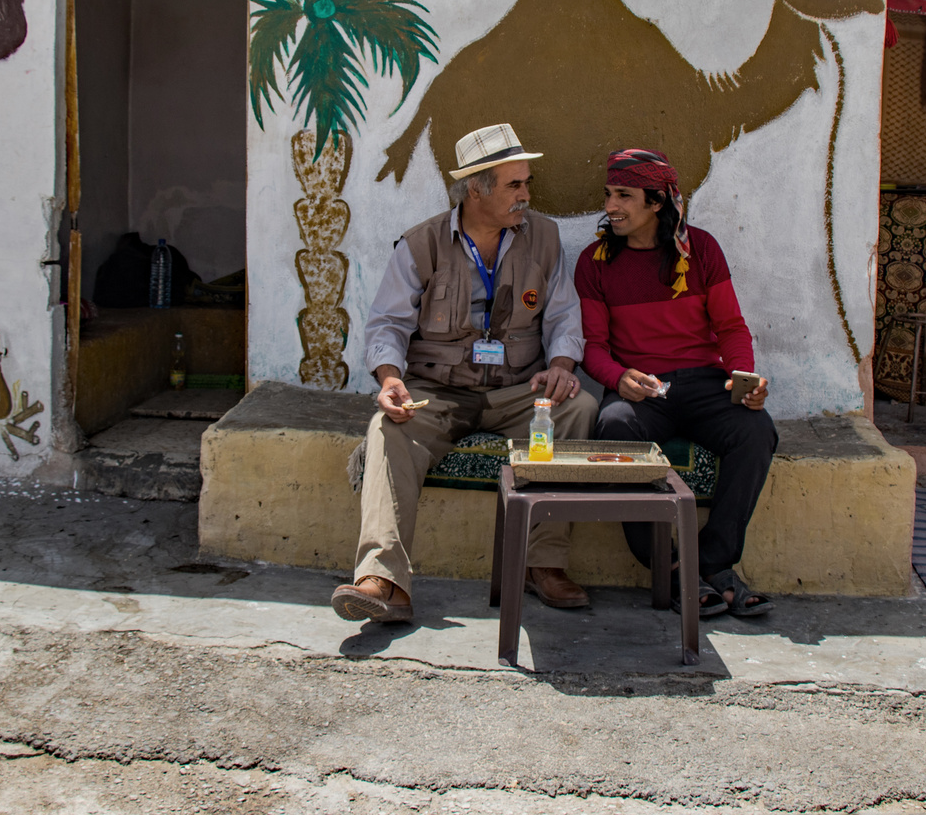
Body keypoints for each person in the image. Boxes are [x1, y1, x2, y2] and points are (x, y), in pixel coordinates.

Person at [332, 123, 598, 624]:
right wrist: (391, 380)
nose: (526, 194)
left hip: (520, 389)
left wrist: (562, 366)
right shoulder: (421, 244)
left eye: (527, 182)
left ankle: (542, 563)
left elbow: (563, 314)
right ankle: (384, 580)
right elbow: (386, 324)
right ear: (476, 189)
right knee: (387, 429)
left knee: (577, 408)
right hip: (438, 393)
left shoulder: (544, 236)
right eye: (514, 185)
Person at [573, 148, 777, 618]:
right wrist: (617, 377)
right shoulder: (595, 262)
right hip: (644, 391)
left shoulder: (701, 249)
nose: (611, 206)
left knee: (756, 430)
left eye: (624, 196)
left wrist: (742, 379)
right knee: (615, 428)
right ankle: (667, 569)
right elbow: (594, 346)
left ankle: (712, 562)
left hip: (705, 383)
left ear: (658, 202)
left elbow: (730, 328)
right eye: (608, 195)